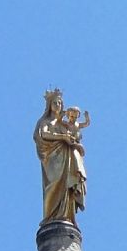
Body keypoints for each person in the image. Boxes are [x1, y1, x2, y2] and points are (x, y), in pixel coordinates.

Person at [34, 89, 89, 223]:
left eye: (59, 103)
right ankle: (50, 216)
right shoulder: (46, 121)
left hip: (67, 156)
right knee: (54, 184)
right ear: (49, 105)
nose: (58, 105)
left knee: (67, 184)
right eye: (55, 103)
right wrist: (63, 137)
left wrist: (74, 143)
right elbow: (43, 134)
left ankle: (66, 214)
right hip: (53, 156)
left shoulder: (64, 123)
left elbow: (75, 133)